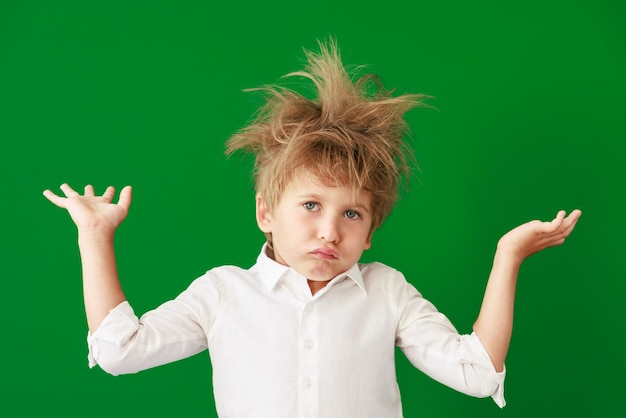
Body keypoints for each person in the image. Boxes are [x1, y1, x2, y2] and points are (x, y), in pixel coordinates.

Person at [43, 41, 581, 417]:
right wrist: (95, 238)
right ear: (265, 214)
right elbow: (119, 352)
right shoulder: (222, 292)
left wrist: (508, 256)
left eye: (352, 214)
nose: (329, 231)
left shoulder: (386, 292)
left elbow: (477, 374)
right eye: (309, 205)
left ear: (370, 233)